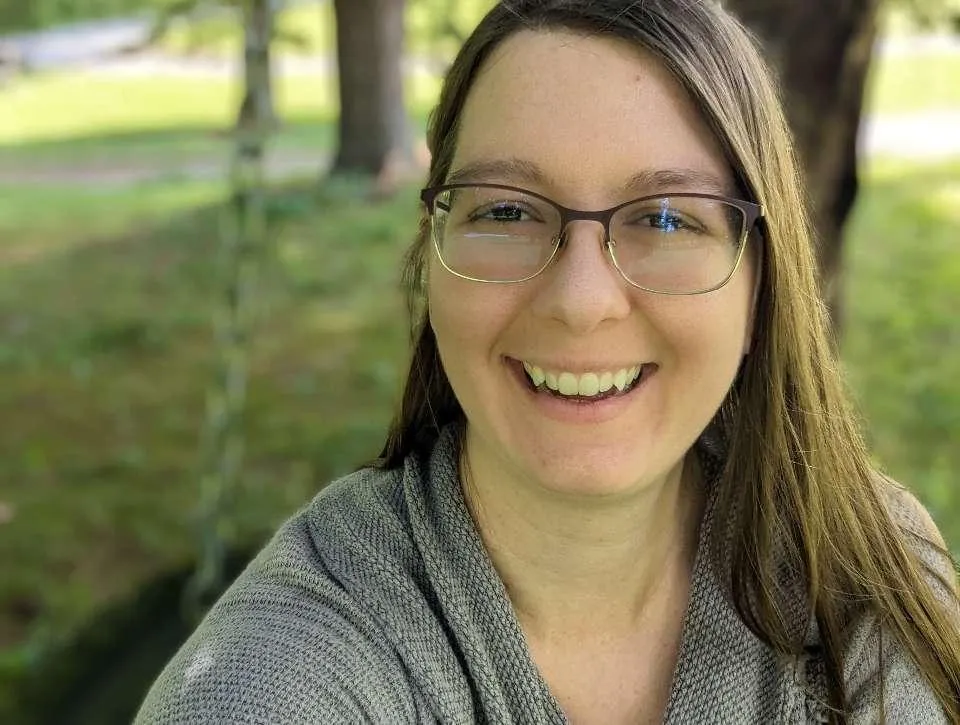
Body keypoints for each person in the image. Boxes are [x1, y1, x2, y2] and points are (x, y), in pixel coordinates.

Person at [136, 1, 960, 723]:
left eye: (666, 218)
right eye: (506, 211)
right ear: (432, 257)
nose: (580, 301)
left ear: (760, 286)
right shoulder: (273, 678)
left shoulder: (872, 579)